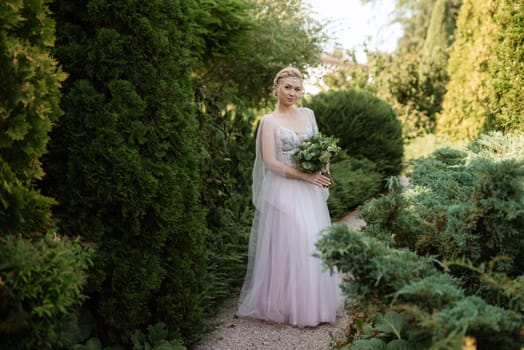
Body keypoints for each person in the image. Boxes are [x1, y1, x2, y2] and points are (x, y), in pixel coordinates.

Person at [237, 66, 343, 327]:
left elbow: (319, 146)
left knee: (312, 241)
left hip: (309, 192)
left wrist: (323, 163)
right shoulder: (268, 122)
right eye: (287, 87)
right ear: (276, 88)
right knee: (291, 242)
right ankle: (285, 304)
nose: (292, 93)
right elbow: (271, 163)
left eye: (297, 89)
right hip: (283, 188)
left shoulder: (308, 114)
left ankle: (312, 305)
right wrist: (305, 176)